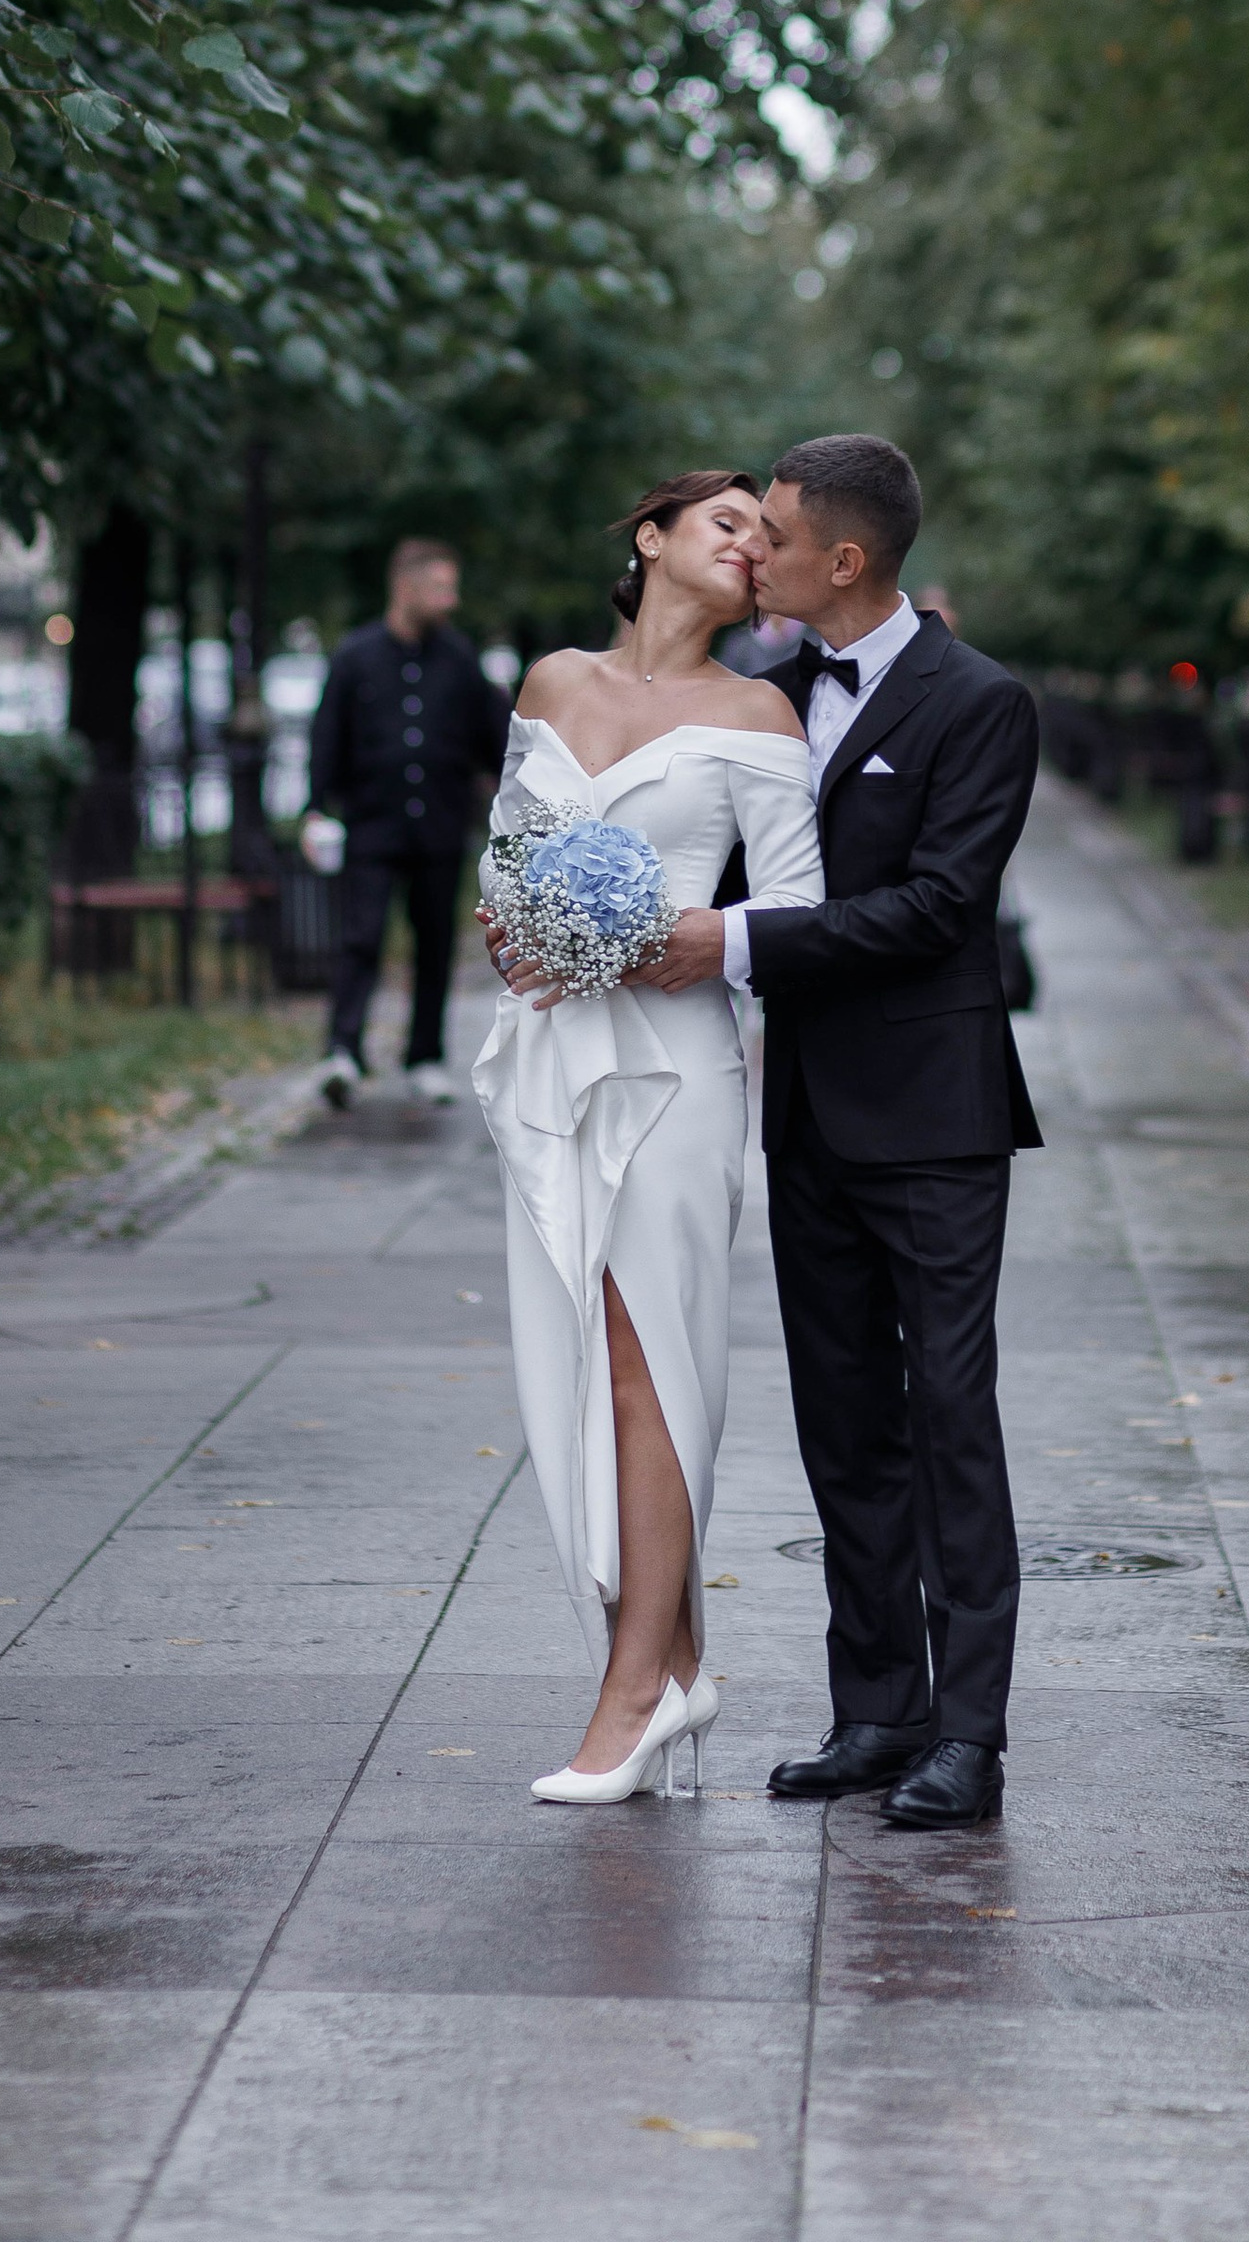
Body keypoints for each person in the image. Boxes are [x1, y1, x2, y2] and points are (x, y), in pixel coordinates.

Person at [640, 434, 1041, 1832]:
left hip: (934, 1121)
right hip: (802, 1112)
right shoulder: (766, 695)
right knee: (846, 1425)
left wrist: (733, 939)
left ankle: (970, 1737)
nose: (758, 555)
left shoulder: (979, 703)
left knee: (951, 1422)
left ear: (847, 560)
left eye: (782, 536)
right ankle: (877, 1708)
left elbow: (941, 908)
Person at [471, 473, 822, 1807]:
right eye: (728, 522)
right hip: (557, 1053)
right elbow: (508, 863)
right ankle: (676, 1669)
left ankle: (629, 1699)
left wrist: (677, 937)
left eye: (767, 535)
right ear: (653, 537)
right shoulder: (553, 683)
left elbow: (793, 904)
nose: (750, 545)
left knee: (646, 1365)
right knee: (571, 1361)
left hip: (674, 1064)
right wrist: (519, 926)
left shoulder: (757, 711)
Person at [306, 538, 509, 1109]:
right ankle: (342, 1051)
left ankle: (424, 1057)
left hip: (440, 830)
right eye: (441, 587)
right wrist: (315, 807)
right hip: (372, 826)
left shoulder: (461, 660)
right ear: (406, 586)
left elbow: (495, 742)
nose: (452, 599)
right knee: (360, 938)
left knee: (435, 944)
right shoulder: (354, 656)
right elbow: (326, 737)